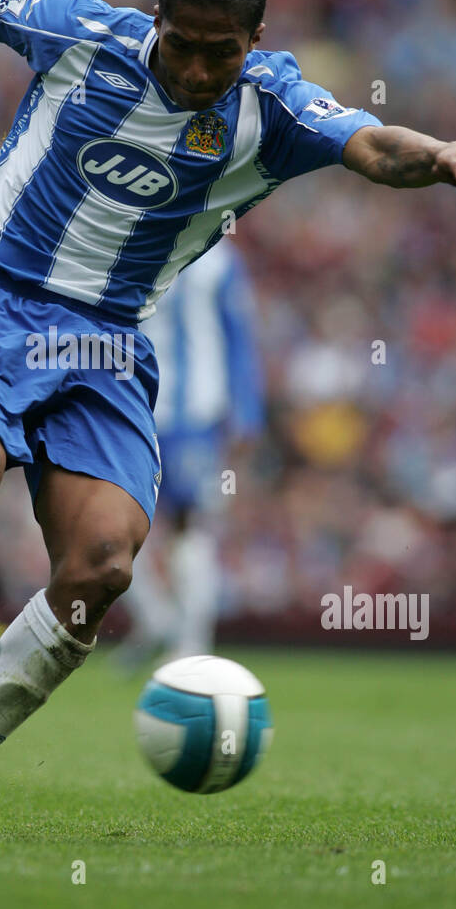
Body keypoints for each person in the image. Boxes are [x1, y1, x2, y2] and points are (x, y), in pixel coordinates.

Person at [0, 0, 456, 837]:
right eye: (184, 43)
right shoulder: (85, 33)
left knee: (102, 566)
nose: (201, 66)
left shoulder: (277, 107)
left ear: (257, 39)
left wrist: (441, 149)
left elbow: (372, 144)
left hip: (109, 346)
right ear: (159, 22)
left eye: (224, 50)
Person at [120, 240, 264, 664]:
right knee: (116, 525)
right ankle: (155, 620)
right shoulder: (132, 247)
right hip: (133, 409)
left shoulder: (218, 260)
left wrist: (247, 409)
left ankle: (192, 644)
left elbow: (239, 333)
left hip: (194, 417)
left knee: (190, 525)